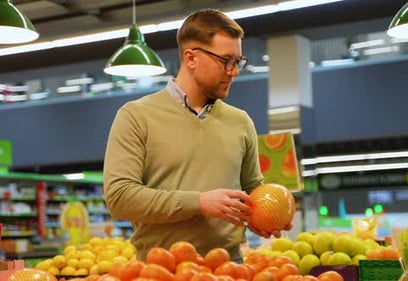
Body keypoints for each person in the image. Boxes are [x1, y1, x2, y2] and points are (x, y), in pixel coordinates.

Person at [103, 8, 291, 262]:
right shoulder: (136, 116)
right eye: (226, 61)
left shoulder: (240, 121)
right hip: (160, 270)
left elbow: (252, 191)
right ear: (191, 58)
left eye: (238, 62)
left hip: (231, 269)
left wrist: (263, 214)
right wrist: (199, 202)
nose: (234, 72)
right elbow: (120, 198)